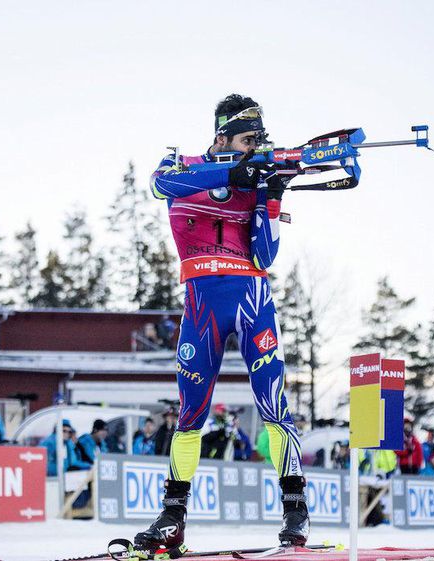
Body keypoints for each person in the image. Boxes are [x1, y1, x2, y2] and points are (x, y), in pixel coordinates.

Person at [137, 94, 306, 552]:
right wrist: (233, 173)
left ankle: (295, 511)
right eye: (249, 139)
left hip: (251, 296)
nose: (256, 148)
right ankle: (172, 517)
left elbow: (264, 255)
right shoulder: (182, 162)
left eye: (260, 140)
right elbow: (159, 186)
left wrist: (272, 195)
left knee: (273, 403)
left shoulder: (258, 178)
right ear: (222, 137)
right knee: (190, 413)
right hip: (201, 302)